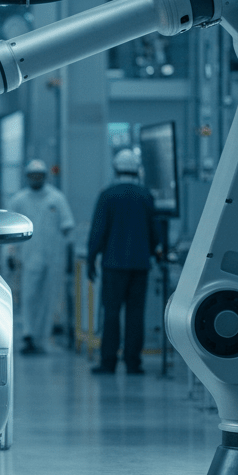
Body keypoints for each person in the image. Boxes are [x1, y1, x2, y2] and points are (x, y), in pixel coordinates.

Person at [87, 149, 160, 374]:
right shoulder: (146, 195)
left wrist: (91, 258)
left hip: (113, 266)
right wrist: (153, 253)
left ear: (116, 168)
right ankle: (133, 363)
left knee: (111, 314)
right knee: (135, 315)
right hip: (140, 266)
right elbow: (155, 232)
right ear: (136, 170)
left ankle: (108, 362)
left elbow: (98, 231)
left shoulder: (107, 195)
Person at [6, 159, 75, 355]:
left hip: (54, 259)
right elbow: (9, 230)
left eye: (39, 175)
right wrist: (10, 254)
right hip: (28, 259)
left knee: (48, 299)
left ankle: (41, 338)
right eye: (33, 175)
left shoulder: (56, 199)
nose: (36, 179)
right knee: (28, 298)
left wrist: (69, 257)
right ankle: (28, 334)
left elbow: (68, 227)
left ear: (45, 177)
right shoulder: (19, 200)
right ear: (27, 177)